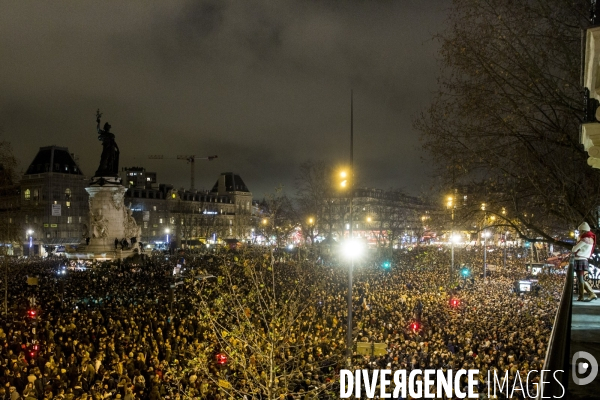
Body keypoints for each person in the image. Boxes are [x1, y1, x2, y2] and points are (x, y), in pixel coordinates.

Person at [571, 222, 598, 301]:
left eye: (580, 231)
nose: (579, 233)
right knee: (581, 278)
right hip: (584, 259)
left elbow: (574, 249)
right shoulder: (591, 239)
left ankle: (584, 295)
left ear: (583, 231)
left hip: (580, 259)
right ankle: (588, 294)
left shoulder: (584, 239)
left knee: (580, 278)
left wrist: (577, 241)